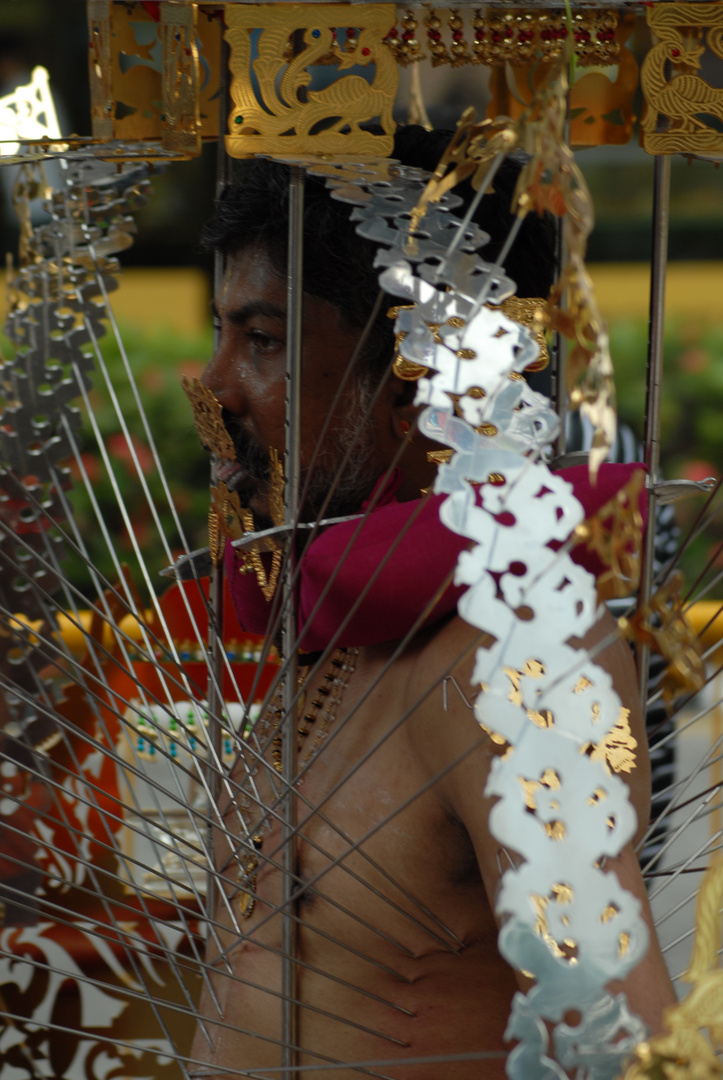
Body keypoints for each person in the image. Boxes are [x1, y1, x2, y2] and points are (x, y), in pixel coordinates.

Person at [189, 127, 675, 1079]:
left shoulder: (520, 646)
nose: (214, 389)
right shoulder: (340, 619)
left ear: (421, 381)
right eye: (223, 337)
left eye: (259, 339)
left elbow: (616, 1042)